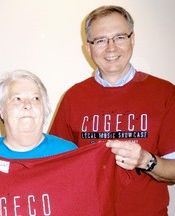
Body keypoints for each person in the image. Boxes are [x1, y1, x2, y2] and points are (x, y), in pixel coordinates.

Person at [50, 5, 175, 215]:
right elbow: (55, 167)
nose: (111, 48)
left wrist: (146, 160)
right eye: (101, 40)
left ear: (132, 40)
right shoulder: (73, 97)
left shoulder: (165, 93)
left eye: (119, 37)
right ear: (88, 48)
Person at [0, 70, 77, 158]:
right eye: (17, 99)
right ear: (1, 110)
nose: (28, 105)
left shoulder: (69, 154)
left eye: (35, 98)